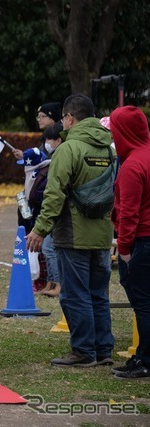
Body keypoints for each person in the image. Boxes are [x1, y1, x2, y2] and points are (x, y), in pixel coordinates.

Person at [25, 93, 115, 368]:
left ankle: (83, 351)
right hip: (102, 234)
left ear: (68, 118)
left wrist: (40, 229)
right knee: (98, 294)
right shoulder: (108, 149)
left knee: (75, 294)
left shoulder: (69, 149)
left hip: (73, 234)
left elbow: (54, 195)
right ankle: (103, 350)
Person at [109, 105, 150, 379]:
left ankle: (145, 360)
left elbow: (129, 213)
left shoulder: (132, 165)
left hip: (141, 242)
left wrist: (123, 250)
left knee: (143, 304)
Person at [17, 147, 50, 292]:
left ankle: (42, 281)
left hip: (40, 219)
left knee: (41, 251)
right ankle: (38, 281)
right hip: (32, 218)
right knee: (36, 251)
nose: (24, 167)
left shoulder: (42, 175)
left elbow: (40, 198)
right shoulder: (36, 173)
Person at [37, 121, 65, 297]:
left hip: (57, 211)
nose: (48, 143)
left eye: (50, 139)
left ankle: (58, 284)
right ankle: (51, 282)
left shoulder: (61, 157)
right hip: (53, 210)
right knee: (48, 248)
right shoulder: (54, 157)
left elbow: (56, 190)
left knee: (49, 248)